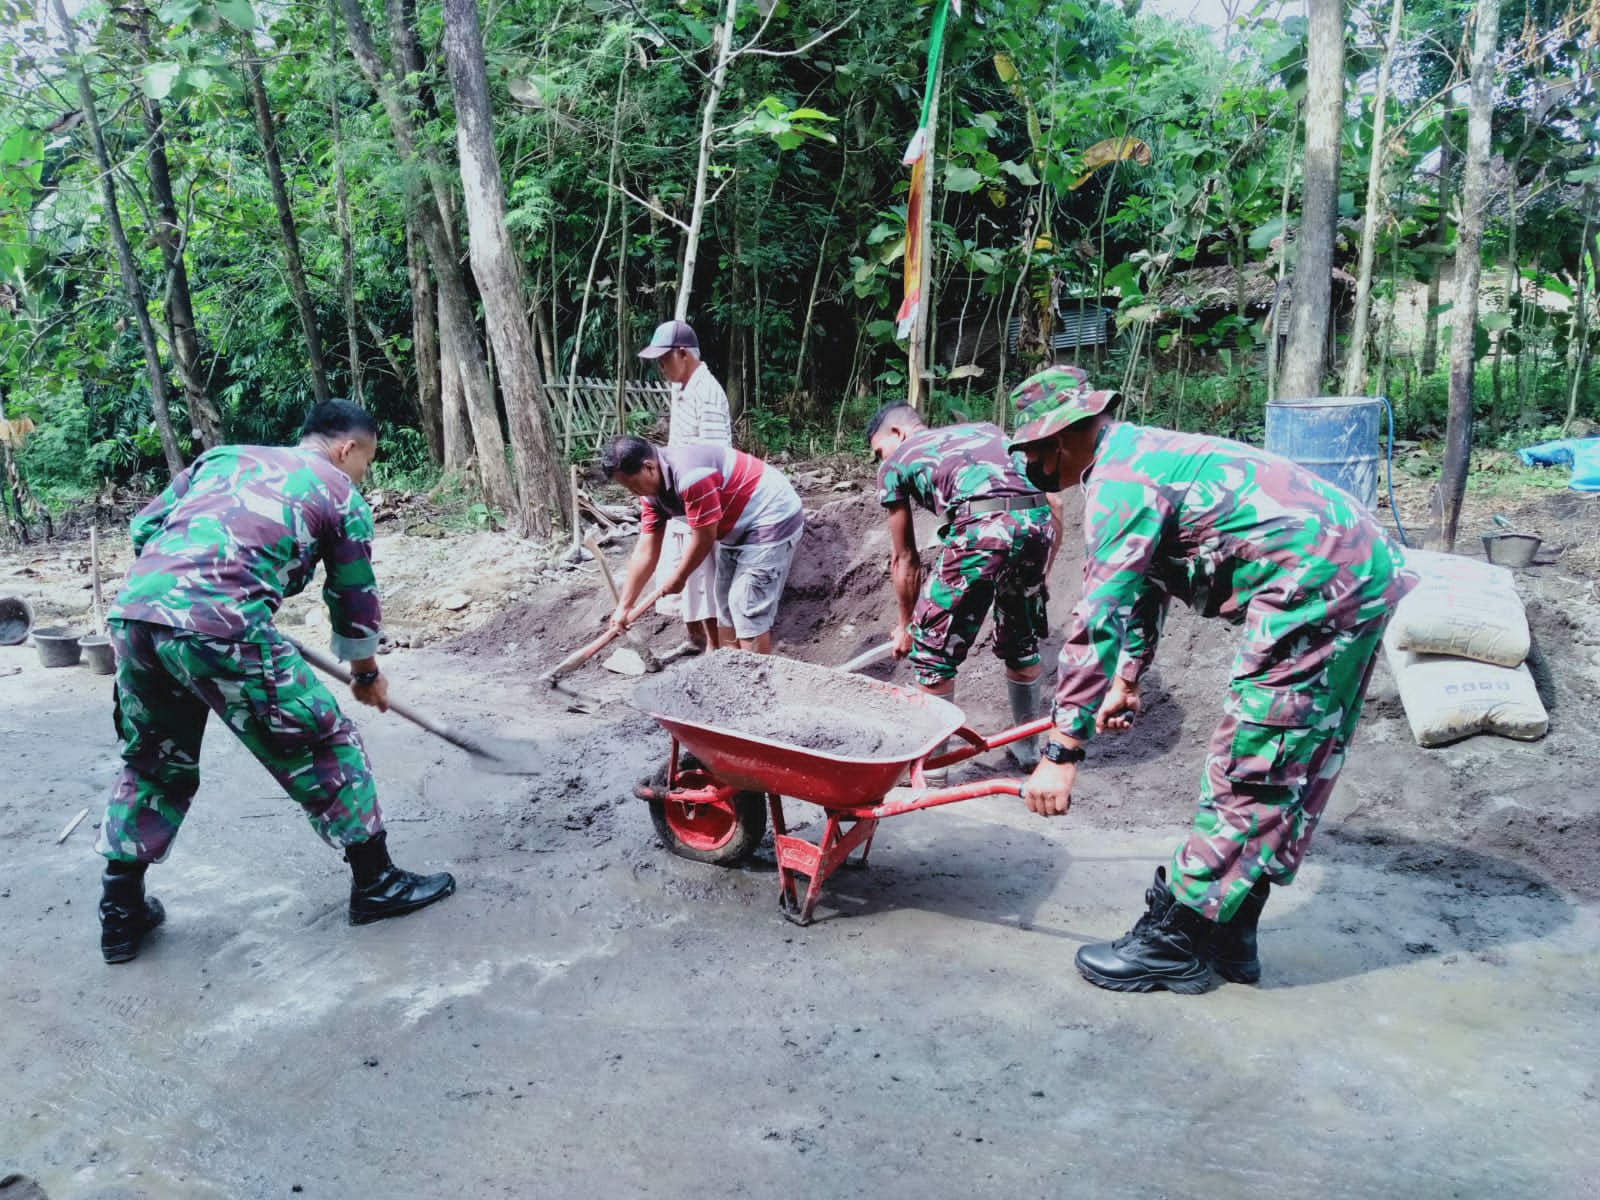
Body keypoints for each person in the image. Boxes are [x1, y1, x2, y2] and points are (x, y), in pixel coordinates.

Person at [1006, 366, 1416, 994]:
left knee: (1254, 756)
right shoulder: (1141, 455)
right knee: (1293, 757)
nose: (1030, 467)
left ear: (1055, 442)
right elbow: (1146, 585)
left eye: (1029, 452)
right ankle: (1230, 931)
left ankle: (1174, 938)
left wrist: (1061, 752)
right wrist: (1129, 679)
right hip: (1354, 569)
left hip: (1315, 582)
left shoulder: (1121, 482)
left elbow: (1098, 618)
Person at [95, 400, 455, 965]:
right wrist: (365, 675)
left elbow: (145, 528)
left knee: (153, 762)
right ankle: (377, 883)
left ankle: (120, 913)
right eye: (368, 460)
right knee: (325, 743)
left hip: (137, 618)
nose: (364, 473)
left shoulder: (223, 458)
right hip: (223, 627)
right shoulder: (339, 493)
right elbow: (354, 599)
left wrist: (187, 600)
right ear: (347, 448)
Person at [865, 403, 1057, 767]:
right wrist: (1040, 573)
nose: (881, 461)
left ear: (897, 433)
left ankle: (932, 770)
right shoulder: (988, 430)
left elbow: (905, 558)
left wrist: (907, 626)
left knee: (933, 654)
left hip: (982, 529)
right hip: (1038, 521)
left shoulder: (896, 463)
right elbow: (1055, 504)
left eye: (878, 452)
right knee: (1021, 643)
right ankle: (1029, 751)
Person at [600, 434, 803, 655]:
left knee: (746, 605)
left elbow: (704, 538)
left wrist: (679, 577)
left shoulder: (691, 476)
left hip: (770, 516)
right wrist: (624, 607)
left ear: (649, 467)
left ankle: (756, 681)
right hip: (736, 527)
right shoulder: (650, 493)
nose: (633, 492)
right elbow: (646, 550)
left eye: (632, 485)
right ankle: (731, 674)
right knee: (724, 604)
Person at [637, 319, 733, 654]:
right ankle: (697, 640)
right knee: (691, 580)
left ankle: (715, 649)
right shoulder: (682, 388)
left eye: (665, 360)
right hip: (681, 492)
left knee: (705, 578)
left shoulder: (707, 393)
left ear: (683, 354)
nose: (661, 367)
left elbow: (713, 456)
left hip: (701, 494)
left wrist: (698, 504)